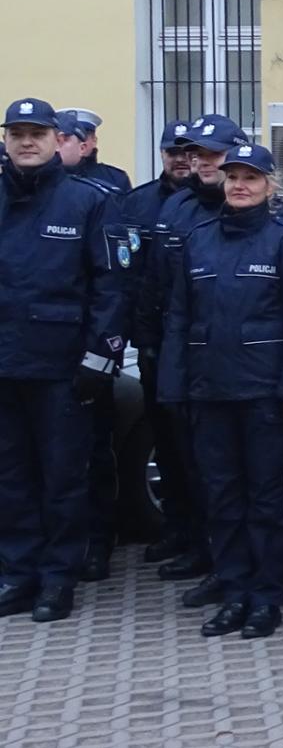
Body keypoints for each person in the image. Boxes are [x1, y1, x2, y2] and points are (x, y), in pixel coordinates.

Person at [157, 144, 283, 640]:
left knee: (265, 504)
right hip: (210, 393)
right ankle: (233, 593)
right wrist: (172, 386)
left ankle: (266, 599)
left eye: (251, 177)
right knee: (222, 500)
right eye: (232, 177)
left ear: (270, 185)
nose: (239, 185)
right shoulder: (199, 240)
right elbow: (179, 318)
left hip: (265, 396)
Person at [0, 97, 126, 622]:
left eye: (37, 133)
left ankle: (58, 578)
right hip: (5, 366)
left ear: (57, 139)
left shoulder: (88, 201)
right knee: (10, 477)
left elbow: (111, 286)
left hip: (61, 368)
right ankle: (17, 572)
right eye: (16, 134)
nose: (26, 143)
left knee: (62, 478)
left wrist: (99, 360)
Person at [147, 115, 253, 604]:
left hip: (245, 370)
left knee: (243, 482)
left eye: (212, 155)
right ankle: (210, 555)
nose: (201, 162)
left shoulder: (263, 216)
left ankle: (245, 568)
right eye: (197, 154)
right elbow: (163, 295)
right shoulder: (175, 209)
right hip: (189, 362)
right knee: (197, 470)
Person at [124, 120, 204, 573]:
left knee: (198, 452)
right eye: (172, 151)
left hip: (199, 349)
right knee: (167, 448)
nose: (180, 159)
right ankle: (177, 529)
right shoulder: (136, 204)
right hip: (156, 347)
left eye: (187, 151)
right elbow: (136, 279)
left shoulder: (209, 207)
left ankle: (202, 538)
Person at [53, 108, 133, 192]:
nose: (80, 141)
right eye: (62, 139)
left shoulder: (115, 178)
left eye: (84, 136)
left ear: (94, 140)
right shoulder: (43, 176)